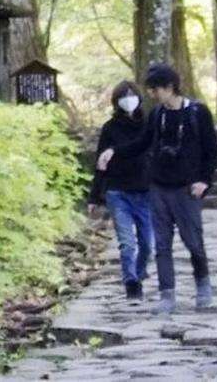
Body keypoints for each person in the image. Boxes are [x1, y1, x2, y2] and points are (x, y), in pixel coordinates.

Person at [97, 63, 217, 315]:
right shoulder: (157, 115)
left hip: (187, 189)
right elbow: (142, 143)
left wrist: (204, 181)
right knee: (162, 245)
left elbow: (212, 151)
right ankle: (167, 294)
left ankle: (203, 284)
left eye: (155, 89)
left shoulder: (198, 113)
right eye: (150, 90)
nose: (151, 95)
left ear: (170, 87)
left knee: (193, 241)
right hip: (158, 187)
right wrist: (113, 152)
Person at [88, 80, 153, 302]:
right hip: (118, 192)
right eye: (123, 96)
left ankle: (139, 270)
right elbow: (100, 164)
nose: (128, 99)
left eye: (131, 94)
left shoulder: (148, 124)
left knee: (147, 244)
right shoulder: (110, 128)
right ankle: (131, 283)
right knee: (127, 243)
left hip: (145, 192)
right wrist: (94, 196)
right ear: (116, 102)